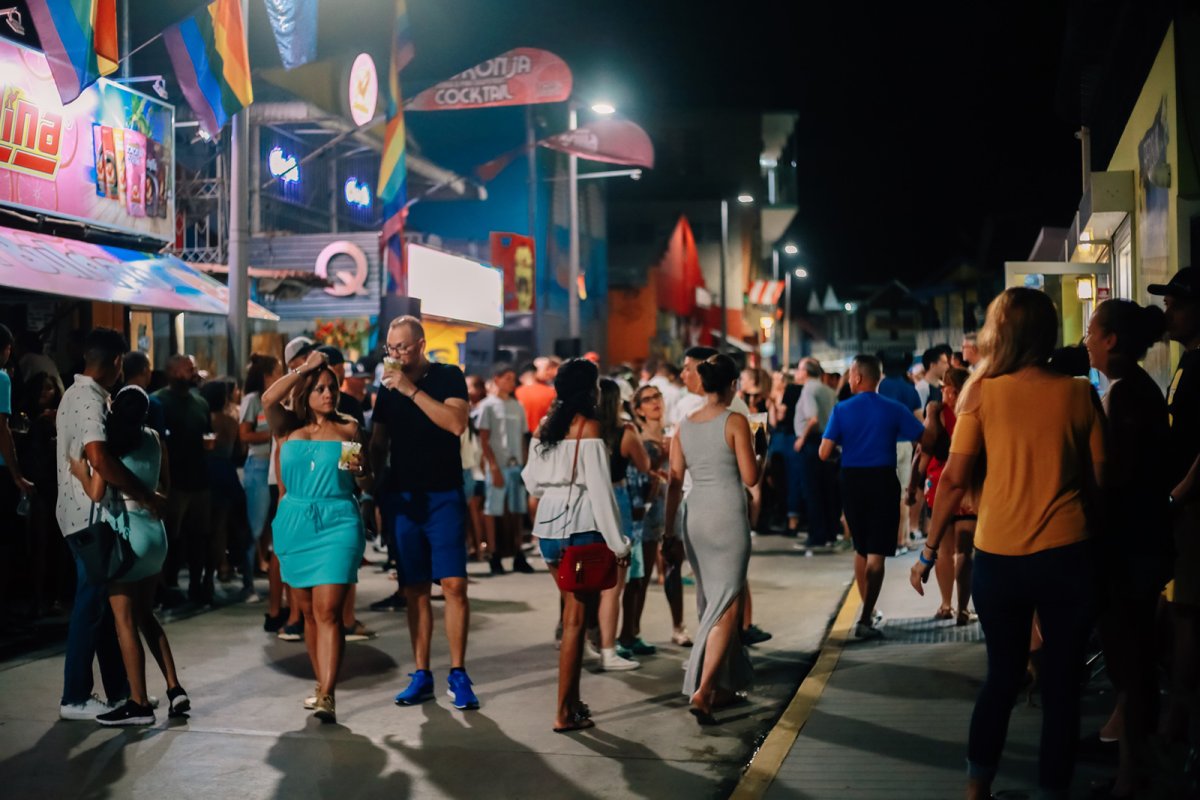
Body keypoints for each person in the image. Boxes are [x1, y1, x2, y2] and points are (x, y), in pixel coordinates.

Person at [910, 287, 1105, 800]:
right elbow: (1102, 480)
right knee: (1062, 686)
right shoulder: (1079, 392)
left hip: (1000, 556)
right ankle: (1052, 792)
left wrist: (929, 553)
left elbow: (952, 481)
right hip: (1068, 553)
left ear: (1000, 334)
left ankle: (977, 788)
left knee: (1002, 676)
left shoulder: (981, 394)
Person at [1083, 298, 1172, 797]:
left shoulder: (1126, 397)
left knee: (1130, 662)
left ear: (1111, 339)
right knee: (1131, 658)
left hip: (1130, 549)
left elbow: (1116, 480)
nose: (1087, 341)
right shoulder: (1137, 390)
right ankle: (1129, 771)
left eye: (1092, 332)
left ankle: (1129, 779)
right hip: (1143, 544)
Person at [369, 316, 478, 710]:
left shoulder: (448, 376)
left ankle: (459, 672)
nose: (395, 355)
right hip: (403, 497)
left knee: (454, 585)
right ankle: (421, 673)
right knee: (414, 588)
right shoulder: (386, 391)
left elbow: (455, 424)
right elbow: (379, 444)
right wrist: (368, 488)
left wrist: (410, 390)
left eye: (402, 347)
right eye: (390, 348)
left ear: (420, 344)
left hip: (443, 494)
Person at [521, 358, 631, 733]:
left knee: (572, 616)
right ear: (591, 389)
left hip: (548, 531)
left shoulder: (546, 428)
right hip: (580, 528)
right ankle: (564, 711)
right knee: (574, 622)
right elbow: (600, 492)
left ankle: (571, 703)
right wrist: (619, 543)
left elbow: (530, 483)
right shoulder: (591, 427)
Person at [68, 386, 188, 726]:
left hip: (126, 535)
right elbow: (164, 484)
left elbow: (96, 491)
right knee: (146, 615)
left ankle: (137, 703)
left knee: (124, 622)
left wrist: (79, 470)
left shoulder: (110, 447)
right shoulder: (153, 438)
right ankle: (175, 689)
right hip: (155, 535)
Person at [57, 328, 162, 721]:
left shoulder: (88, 396)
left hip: (89, 517)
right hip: (87, 519)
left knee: (100, 608)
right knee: (90, 608)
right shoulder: (87, 399)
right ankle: (75, 697)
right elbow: (99, 458)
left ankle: (123, 692)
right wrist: (147, 495)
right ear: (117, 362)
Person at [262, 350, 370, 723]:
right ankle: (320, 685)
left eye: (333, 388)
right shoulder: (287, 429)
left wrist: (361, 470)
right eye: (320, 388)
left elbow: (362, 481)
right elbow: (267, 399)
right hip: (296, 522)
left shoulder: (349, 429)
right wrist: (304, 368)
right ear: (305, 392)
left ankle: (327, 692)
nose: (329, 394)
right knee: (307, 612)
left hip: (338, 519)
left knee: (328, 612)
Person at [665, 354, 762, 724]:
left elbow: (675, 481)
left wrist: (668, 530)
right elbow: (750, 478)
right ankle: (703, 691)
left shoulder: (684, 425)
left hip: (695, 515)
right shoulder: (735, 421)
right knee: (727, 605)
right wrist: (760, 452)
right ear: (733, 385)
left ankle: (724, 684)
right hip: (726, 515)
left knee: (711, 599)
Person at [820, 354, 931, 640]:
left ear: (856, 376)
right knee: (877, 553)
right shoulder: (894, 409)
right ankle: (867, 617)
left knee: (861, 547)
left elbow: (823, 452)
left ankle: (867, 610)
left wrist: (846, 446)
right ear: (878, 377)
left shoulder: (842, 409)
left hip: (852, 480)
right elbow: (926, 439)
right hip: (883, 479)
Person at [1148, 267, 1200, 754]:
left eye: (1177, 303)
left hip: (1191, 514)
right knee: (1173, 610)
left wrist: (1176, 496)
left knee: (1185, 612)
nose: (1169, 311)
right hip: (1179, 510)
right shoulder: (1186, 363)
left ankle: (1176, 723)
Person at [907, 367, 974, 623]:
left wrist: (912, 488)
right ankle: (964, 608)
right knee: (965, 552)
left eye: (945, 387)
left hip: (939, 487)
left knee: (944, 551)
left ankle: (946, 605)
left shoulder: (939, 414)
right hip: (968, 488)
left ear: (950, 389)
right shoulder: (972, 413)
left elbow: (924, 450)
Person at [626, 384, 690, 647]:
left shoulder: (672, 430)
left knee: (673, 565)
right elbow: (639, 473)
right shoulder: (637, 435)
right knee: (641, 572)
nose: (655, 403)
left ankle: (678, 626)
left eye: (658, 397)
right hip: (648, 507)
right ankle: (633, 630)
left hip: (671, 503)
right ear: (639, 409)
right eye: (648, 399)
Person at [597, 377, 651, 669]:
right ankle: (609, 648)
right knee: (614, 584)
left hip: (588, 502)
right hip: (617, 499)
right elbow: (645, 465)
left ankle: (591, 641)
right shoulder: (625, 432)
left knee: (588, 575)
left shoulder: (584, 429)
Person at [153, 355, 214, 605]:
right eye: (188, 369)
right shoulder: (158, 401)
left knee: (200, 535)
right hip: (174, 481)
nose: (194, 372)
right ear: (173, 372)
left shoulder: (200, 403)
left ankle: (197, 584)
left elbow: (207, 433)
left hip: (199, 478)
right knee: (170, 537)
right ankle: (166, 586)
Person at [478, 365, 532, 575]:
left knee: (517, 510)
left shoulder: (517, 406)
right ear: (497, 379)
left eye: (513, 378)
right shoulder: (488, 406)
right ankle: (494, 553)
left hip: (515, 464)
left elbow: (522, 437)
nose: (512, 382)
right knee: (494, 510)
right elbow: (484, 438)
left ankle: (518, 551)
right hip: (498, 465)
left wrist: (526, 465)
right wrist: (492, 465)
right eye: (508, 378)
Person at [240, 354, 283, 614]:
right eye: (277, 371)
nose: (281, 375)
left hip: (274, 467)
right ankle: (247, 585)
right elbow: (244, 435)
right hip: (257, 466)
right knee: (254, 527)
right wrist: (274, 432)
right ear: (266, 376)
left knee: (272, 527)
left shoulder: (278, 399)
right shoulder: (252, 400)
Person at [199, 380, 248, 598]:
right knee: (223, 524)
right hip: (227, 471)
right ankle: (224, 565)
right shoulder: (230, 421)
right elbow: (239, 449)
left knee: (206, 527)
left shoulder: (206, 420)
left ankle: (209, 575)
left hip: (207, 471)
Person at [792, 359, 838, 551]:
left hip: (812, 443)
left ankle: (817, 534)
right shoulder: (827, 390)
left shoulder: (809, 389)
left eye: (799, 368)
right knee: (828, 490)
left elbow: (813, 418)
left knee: (812, 490)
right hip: (829, 441)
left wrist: (801, 439)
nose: (797, 372)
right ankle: (829, 533)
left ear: (805, 372)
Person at [122, 352, 165, 436]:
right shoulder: (152, 403)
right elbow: (160, 441)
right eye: (149, 368)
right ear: (144, 370)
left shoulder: (115, 400)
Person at [515, 356, 559, 437]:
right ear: (535, 371)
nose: (549, 372)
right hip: (545, 436)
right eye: (547, 369)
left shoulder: (516, 393)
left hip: (523, 436)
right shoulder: (551, 392)